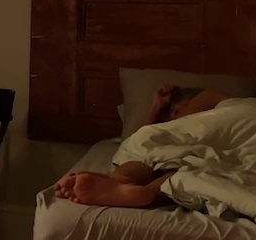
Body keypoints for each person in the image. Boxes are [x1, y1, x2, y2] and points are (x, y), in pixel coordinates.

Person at [50, 83, 231, 208]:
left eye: (175, 111)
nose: (174, 116)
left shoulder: (212, 104)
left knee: (144, 154)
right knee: (182, 171)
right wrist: (157, 106)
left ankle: (123, 180)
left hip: (197, 143)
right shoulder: (165, 131)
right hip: (198, 151)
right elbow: (142, 135)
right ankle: (142, 190)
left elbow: (142, 137)